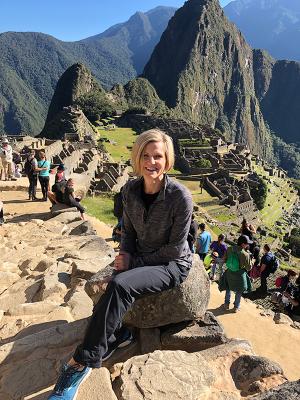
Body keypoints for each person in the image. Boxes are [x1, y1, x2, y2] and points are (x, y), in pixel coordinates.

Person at [47, 129, 193, 399]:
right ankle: (116, 337)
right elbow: (129, 232)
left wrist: (133, 261)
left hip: (172, 264)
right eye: (145, 156)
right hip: (142, 253)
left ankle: (82, 362)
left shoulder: (180, 197)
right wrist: (125, 255)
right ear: (137, 159)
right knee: (114, 283)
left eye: (158, 156)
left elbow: (173, 250)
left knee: (120, 285)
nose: (151, 162)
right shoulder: (130, 191)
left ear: (167, 160)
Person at [219, 235, 252, 312]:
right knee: (239, 290)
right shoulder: (245, 254)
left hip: (230, 272)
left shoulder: (229, 249)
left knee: (228, 287)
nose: (248, 245)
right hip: (239, 275)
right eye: (247, 243)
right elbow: (249, 268)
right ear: (243, 244)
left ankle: (226, 304)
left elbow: (224, 259)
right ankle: (236, 307)